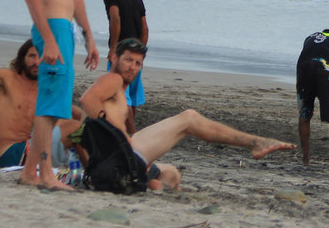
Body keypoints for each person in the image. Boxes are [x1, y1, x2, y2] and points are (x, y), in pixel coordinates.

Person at [80, 39, 294, 190]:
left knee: (171, 172)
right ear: (115, 57)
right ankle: (255, 142)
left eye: (138, 63)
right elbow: (87, 101)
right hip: (118, 156)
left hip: (122, 161)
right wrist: (119, 135)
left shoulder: (120, 93)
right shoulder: (112, 80)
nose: (132, 67)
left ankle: (154, 186)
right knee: (189, 118)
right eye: (128, 60)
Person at [24, 0, 100, 189]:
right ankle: (43, 173)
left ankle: (30, 172)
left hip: (66, 28)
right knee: (51, 105)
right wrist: (50, 40)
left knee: (55, 104)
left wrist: (89, 36)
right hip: (51, 28)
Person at [0, 40, 82, 168]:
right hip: (11, 154)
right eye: (31, 56)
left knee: (74, 122)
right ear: (22, 58)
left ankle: (86, 168)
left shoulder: (41, 89)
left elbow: (74, 112)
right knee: (74, 128)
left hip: (30, 149)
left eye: (41, 57)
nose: (36, 62)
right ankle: (90, 170)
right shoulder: (6, 78)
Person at [102, 0, 148, 134]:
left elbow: (115, 18)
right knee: (132, 98)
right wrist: (141, 54)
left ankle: (131, 136)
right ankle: (128, 133)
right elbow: (145, 28)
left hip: (122, 53)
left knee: (121, 96)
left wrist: (113, 48)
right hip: (136, 52)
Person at [296, 29, 329, 170]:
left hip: (303, 68)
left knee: (304, 114)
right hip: (324, 67)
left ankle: (306, 160)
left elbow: (307, 54)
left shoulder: (310, 37)